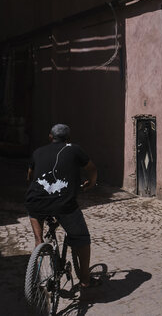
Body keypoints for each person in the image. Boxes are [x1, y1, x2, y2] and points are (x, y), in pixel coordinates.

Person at [25, 124, 99, 289]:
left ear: (50, 137)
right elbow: (92, 169)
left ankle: (38, 245)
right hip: (64, 204)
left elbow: (30, 176)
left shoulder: (37, 152)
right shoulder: (74, 149)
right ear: (69, 138)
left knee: (36, 224)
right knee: (81, 238)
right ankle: (86, 280)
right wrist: (91, 183)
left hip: (35, 202)